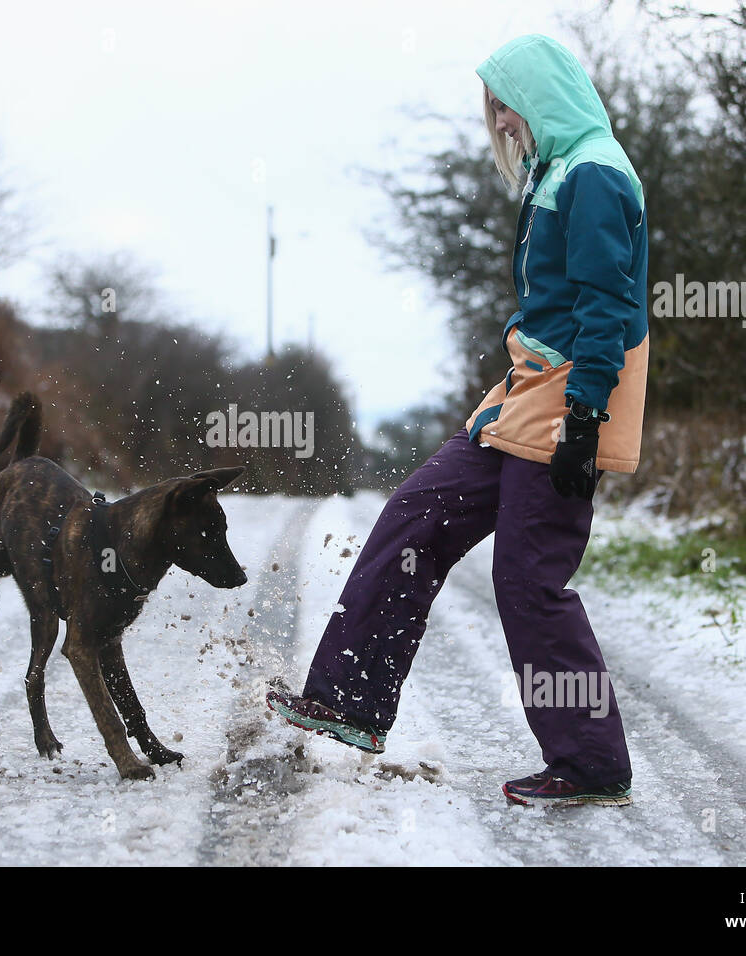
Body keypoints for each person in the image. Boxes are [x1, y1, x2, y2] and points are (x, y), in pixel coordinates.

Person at [267, 33, 649, 808]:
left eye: (505, 105)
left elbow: (608, 308)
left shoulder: (597, 174)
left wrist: (584, 421)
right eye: (495, 109)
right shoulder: (559, 170)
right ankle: (348, 700)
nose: (502, 122)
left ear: (539, 96)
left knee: (530, 580)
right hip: (525, 390)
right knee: (415, 515)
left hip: (570, 397)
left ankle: (591, 761)